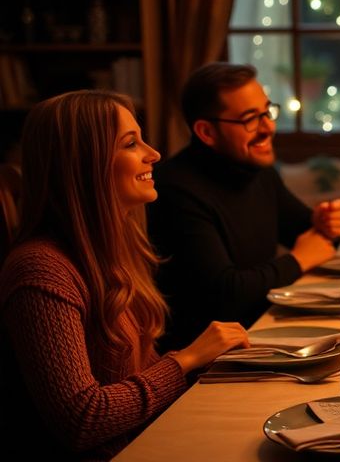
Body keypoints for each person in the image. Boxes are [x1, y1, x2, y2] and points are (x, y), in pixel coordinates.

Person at [0, 91, 249, 460]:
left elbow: (132, 379)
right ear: (83, 164)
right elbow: (82, 419)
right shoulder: (41, 269)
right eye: (131, 143)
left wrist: (210, 365)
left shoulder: (112, 251)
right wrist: (186, 360)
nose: (154, 154)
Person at [147, 63, 340, 350]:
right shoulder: (174, 189)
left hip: (259, 333)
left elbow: (314, 236)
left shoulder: (255, 169)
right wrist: (299, 259)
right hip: (210, 361)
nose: (268, 127)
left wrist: (328, 221)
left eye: (267, 112)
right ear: (207, 131)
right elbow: (225, 293)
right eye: (250, 119)